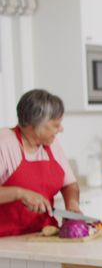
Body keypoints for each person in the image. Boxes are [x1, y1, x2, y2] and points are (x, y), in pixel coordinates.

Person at [0, 89, 81, 237]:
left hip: (45, 235)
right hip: (6, 241)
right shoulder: (4, 142)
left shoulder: (51, 144)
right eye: (56, 125)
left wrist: (72, 204)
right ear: (33, 125)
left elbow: (69, 184)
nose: (61, 129)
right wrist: (19, 193)